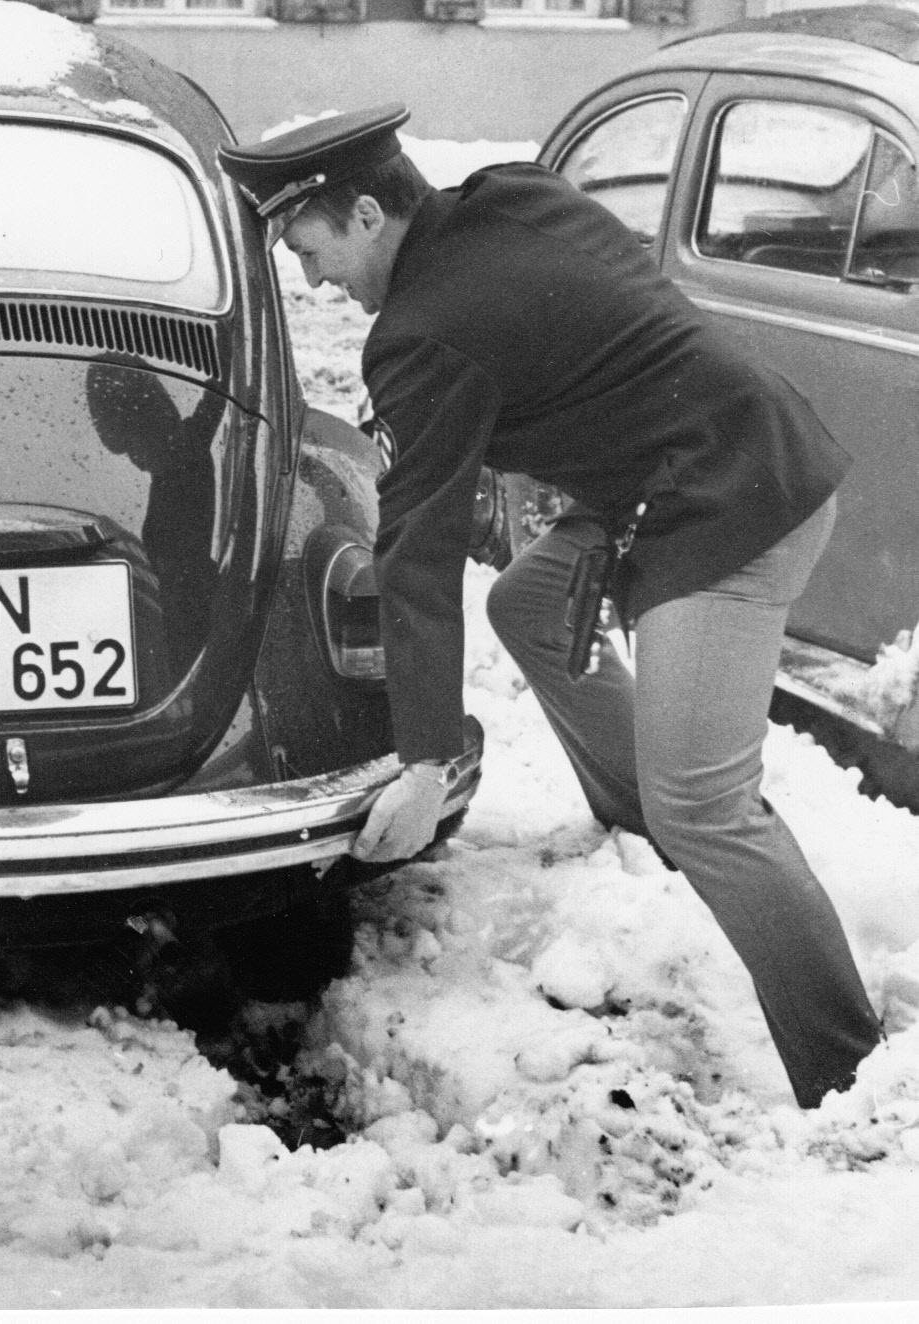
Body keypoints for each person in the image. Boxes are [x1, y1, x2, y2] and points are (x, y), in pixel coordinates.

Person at [220, 106, 881, 1109]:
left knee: (709, 804)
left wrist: (427, 757)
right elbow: (600, 331)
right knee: (530, 606)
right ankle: (636, 822)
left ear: (364, 214)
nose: (316, 282)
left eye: (311, 253)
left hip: (731, 507)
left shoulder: (422, 336)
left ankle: (854, 1075)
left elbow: (418, 557)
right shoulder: (506, 195)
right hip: (706, 459)